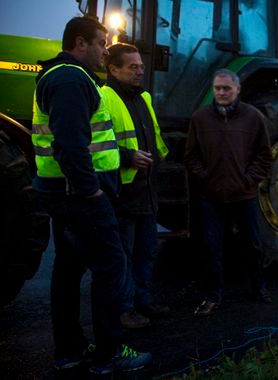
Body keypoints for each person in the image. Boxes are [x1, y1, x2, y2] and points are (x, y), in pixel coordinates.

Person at [32, 17, 151, 374]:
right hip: (79, 194)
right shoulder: (71, 78)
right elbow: (70, 145)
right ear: (80, 43)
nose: (105, 50)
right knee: (112, 265)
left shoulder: (59, 76)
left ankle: (69, 350)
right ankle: (109, 353)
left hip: (61, 191)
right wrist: (93, 191)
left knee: (68, 269)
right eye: (101, 43)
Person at [184, 69, 273, 317]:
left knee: (253, 244)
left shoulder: (253, 117)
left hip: (244, 195)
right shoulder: (200, 119)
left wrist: (248, 180)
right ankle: (213, 296)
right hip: (212, 196)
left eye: (226, 88)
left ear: (237, 90)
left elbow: (264, 156)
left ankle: (259, 288)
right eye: (217, 88)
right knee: (212, 247)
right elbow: (190, 156)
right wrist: (206, 177)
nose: (221, 93)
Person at [102, 43, 170, 329]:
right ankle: (125, 310)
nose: (140, 71)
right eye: (133, 67)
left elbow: (154, 138)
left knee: (147, 252)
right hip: (122, 193)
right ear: (113, 69)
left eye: (141, 66)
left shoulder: (143, 98)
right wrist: (128, 157)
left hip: (146, 192)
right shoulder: (104, 98)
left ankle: (143, 301)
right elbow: (95, 146)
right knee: (124, 257)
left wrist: (163, 161)